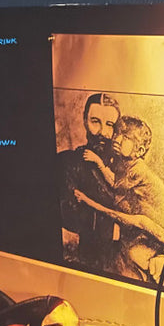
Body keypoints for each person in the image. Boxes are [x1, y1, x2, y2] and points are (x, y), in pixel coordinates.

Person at [75, 115, 164, 284]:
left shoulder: (138, 170)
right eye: (117, 133)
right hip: (155, 234)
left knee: (133, 249)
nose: (117, 139)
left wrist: (98, 163)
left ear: (139, 150)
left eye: (125, 137)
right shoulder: (128, 165)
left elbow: (115, 184)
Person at [58, 93, 121, 269]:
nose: (102, 132)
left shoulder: (124, 167)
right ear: (85, 120)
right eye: (95, 122)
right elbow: (69, 217)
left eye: (109, 124)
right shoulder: (69, 162)